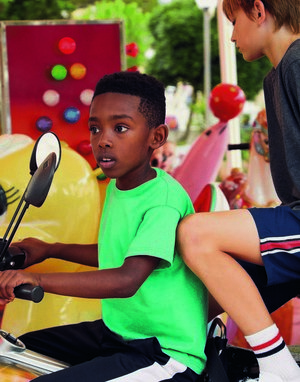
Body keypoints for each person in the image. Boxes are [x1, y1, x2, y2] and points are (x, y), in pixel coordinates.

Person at [0, 71, 208, 381]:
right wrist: (49, 249)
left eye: (120, 128)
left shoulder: (162, 200)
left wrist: (36, 278)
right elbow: (117, 253)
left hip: (163, 351)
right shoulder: (120, 185)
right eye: (95, 129)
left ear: (157, 137)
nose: (103, 140)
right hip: (120, 332)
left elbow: (126, 279)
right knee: (16, 352)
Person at [177, 1, 300, 382]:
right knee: (200, 298)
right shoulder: (276, 77)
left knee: (195, 232)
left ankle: (278, 365)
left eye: (234, 21)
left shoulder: (297, 64)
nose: (231, 35)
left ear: (259, 11)